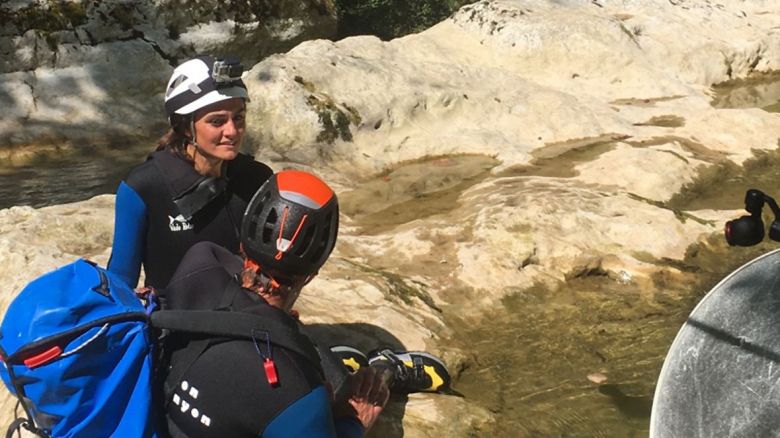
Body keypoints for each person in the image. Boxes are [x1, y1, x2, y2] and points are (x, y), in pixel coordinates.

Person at [158, 170, 454, 437]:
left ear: (242, 244)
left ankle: (340, 361)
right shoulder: (295, 390)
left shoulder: (198, 264)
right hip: (281, 395)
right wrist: (354, 423)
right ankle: (384, 368)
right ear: (310, 276)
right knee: (300, 346)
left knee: (291, 334)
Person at [108, 54, 273, 290]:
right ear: (185, 127)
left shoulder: (257, 179)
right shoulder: (143, 187)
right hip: (171, 321)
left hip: (242, 318)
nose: (232, 131)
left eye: (238, 118)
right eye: (217, 121)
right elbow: (120, 281)